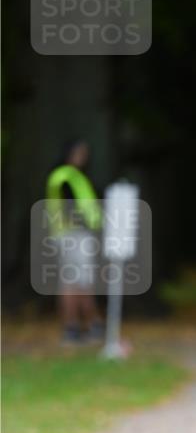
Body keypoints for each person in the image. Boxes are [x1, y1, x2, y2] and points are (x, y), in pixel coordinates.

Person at [46, 140, 104, 346]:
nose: (83, 157)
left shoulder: (73, 176)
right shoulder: (65, 176)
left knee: (75, 280)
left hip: (72, 234)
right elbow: (70, 207)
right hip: (73, 234)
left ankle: (78, 326)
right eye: (79, 153)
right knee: (78, 282)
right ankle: (85, 324)